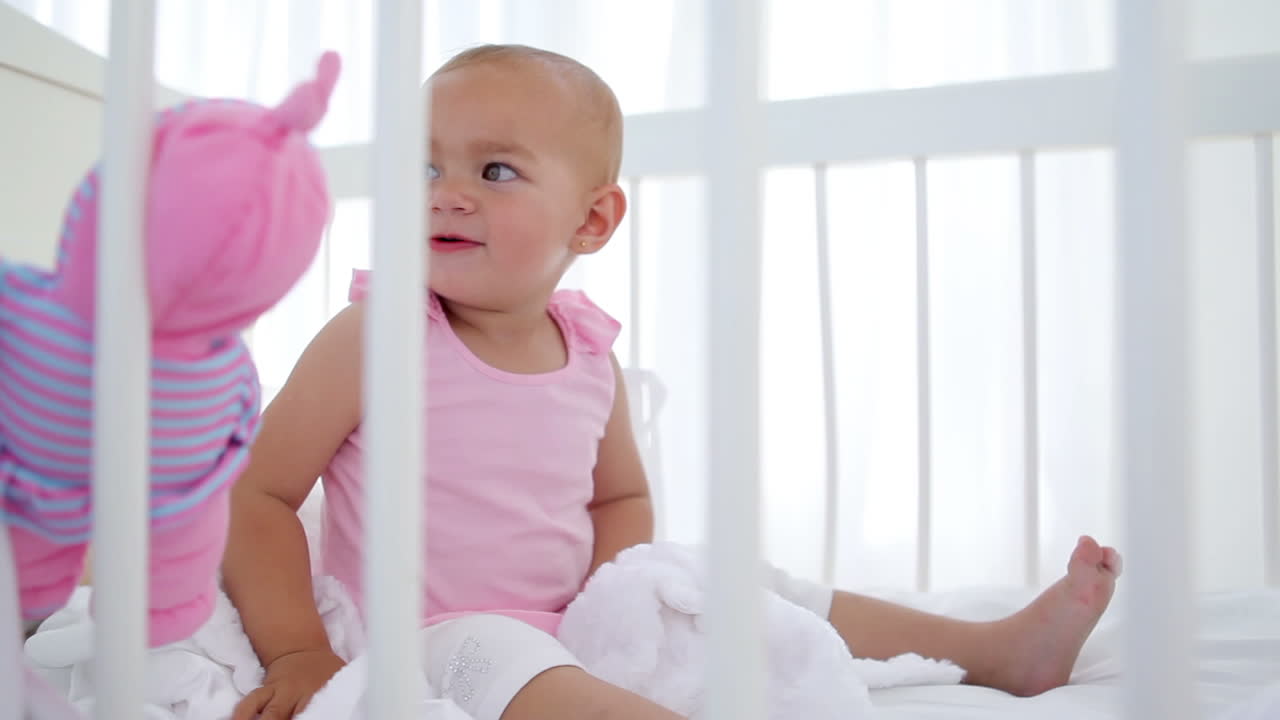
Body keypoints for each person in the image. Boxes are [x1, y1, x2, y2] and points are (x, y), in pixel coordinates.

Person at [222, 44, 1123, 720]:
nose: (446, 192)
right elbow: (258, 493)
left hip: (573, 619)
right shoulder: (380, 335)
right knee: (502, 659)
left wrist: (623, 590)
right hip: (423, 638)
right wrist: (299, 650)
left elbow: (621, 496)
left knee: (727, 579)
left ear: (595, 218)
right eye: (425, 166)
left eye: (494, 170)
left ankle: (990, 651)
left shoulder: (585, 349)